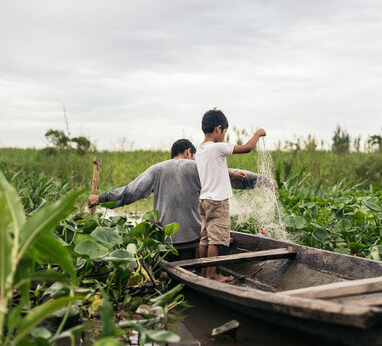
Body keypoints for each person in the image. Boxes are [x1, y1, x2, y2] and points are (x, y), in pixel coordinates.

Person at [87, 139, 267, 257]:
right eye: (194, 156)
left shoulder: (157, 169)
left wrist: (100, 198)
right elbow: (236, 176)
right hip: (195, 242)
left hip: (166, 243)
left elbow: (129, 192)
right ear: (189, 152)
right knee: (216, 235)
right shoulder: (197, 167)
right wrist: (264, 181)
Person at [196, 109, 266, 281]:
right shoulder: (218, 147)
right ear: (218, 128)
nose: (223, 136)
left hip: (204, 200)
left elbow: (213, 170)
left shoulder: (200, 150)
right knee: (216, 239)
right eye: (224, 132)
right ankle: (212, 276)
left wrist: (232, 174)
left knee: (204, 239)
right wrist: (257, 133)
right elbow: (248, 148)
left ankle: (204, 273)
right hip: (218, 201)